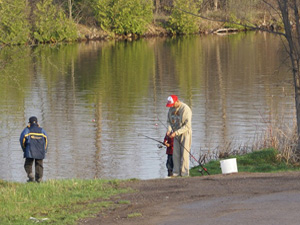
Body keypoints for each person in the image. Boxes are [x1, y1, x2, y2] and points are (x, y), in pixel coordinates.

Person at [166, 95, 192, 177]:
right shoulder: (171, 109)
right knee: (175, 154)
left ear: (177, 101)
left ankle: (184, 174)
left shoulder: (185, 109)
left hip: (185, 134)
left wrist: (176, 132)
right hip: (175, 134)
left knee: (184, 155)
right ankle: (176, 173)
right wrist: (169, 130)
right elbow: (169, 121)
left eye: (173, 105)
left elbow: (187, 126)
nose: (172, 107)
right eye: (170, 105)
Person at [19, 116, 48, 182]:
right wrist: (44, 150)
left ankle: (30, 175)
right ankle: (39, 179)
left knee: (28, 164)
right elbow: (46, 141)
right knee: (39, 165)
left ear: (29, 123)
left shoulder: (27, 130)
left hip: (29, 150)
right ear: (37, 123)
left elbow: (22, 140)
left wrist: (24, 149)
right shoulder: (42, 130)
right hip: (40, 151)